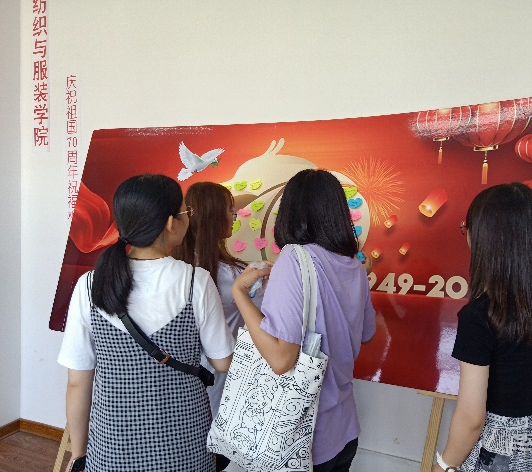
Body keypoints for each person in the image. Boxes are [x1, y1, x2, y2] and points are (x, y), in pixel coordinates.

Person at [58, 174, 234, 472]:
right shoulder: (196, 281)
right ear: (171, 223)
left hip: (112, 446)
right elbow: (222, 362)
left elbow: (77, 382)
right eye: (185, 212)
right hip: (185, 442)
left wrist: (79, 454)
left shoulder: (90, 284)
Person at [232, 169, 376, 472]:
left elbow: (280, 359)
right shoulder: (355, 265)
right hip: (344, 428)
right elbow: (366, 334)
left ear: (290, 212)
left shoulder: (294, 259)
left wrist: (240, 294)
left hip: (302, 438)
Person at [433, 182, 532, 472]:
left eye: (466, 228)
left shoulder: (479, 316)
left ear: (484, 237)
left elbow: (471, 418)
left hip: (494, 452)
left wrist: (443, 466)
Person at [172, 181, 265, 472]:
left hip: (174, 382)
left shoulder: (172, 268)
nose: (235, 217)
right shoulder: (235, 277)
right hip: (217, 381)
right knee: (210, 455)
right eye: (230, 211)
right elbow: (265, 322)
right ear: (214, 218)